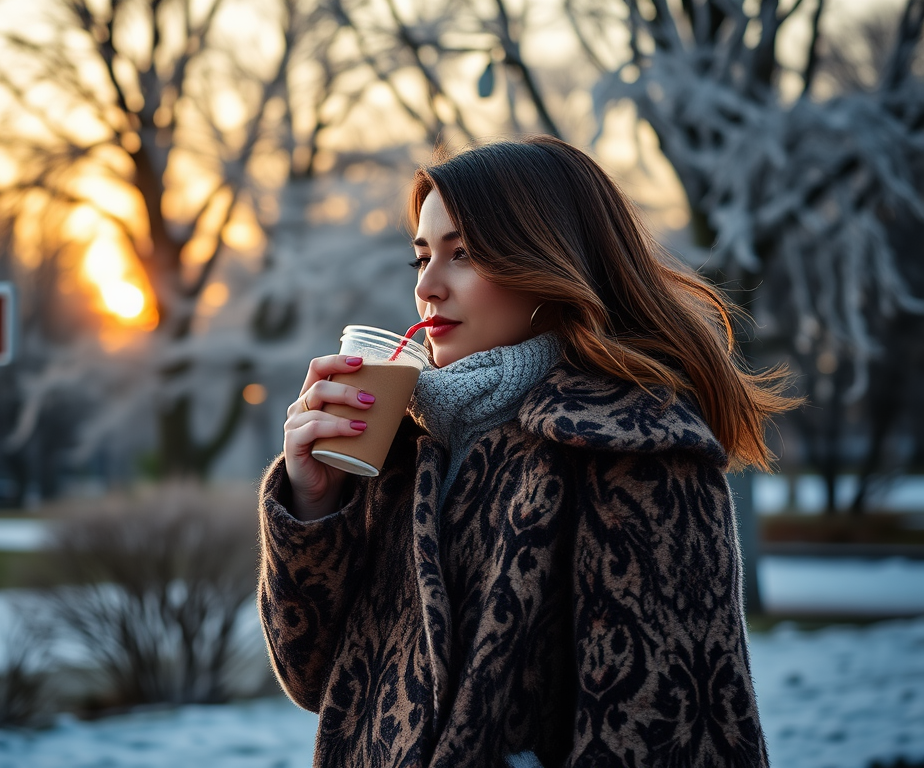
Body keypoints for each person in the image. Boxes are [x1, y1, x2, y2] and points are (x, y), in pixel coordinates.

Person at [257, 135, 793, 767]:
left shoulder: (629, 452)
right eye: (421, 258)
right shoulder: (408, 452)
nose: (427, 287)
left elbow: (665, 741)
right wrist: (314, 505)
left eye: (463, 255)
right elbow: (318, 682)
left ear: (546, 263)